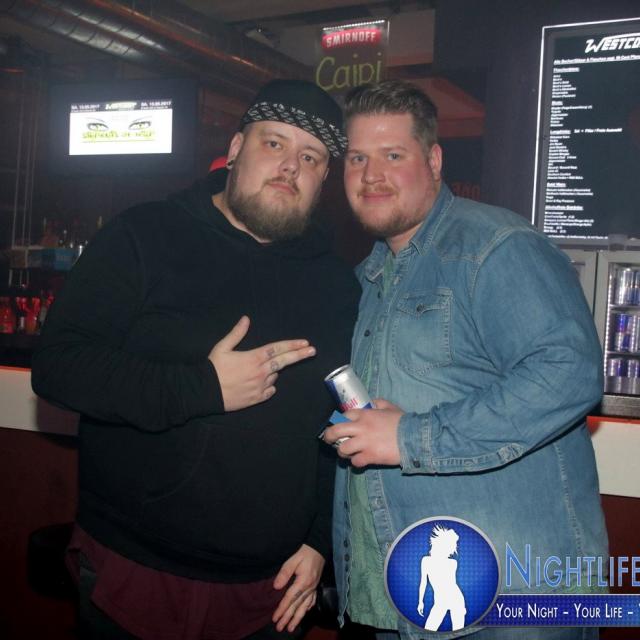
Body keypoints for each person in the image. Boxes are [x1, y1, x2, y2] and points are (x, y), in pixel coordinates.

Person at [31, 79, 360, 640]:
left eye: (310, 157)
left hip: (269, 591)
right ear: (235, 149)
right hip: (135, 568)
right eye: (274, 143)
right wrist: (202, 387)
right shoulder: (144, 234)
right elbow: (59, 366)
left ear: (323, 179)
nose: (290, 166)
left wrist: (320, 539)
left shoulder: (337, 285)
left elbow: (345, 414)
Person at [323, 80, 608, 640]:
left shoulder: (493, 246)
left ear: (433, 161)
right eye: (357, 158)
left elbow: (569, 373)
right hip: (410, 600)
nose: (371, 174)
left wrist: (410, 438)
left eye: (392, 155)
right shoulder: (369, 276)